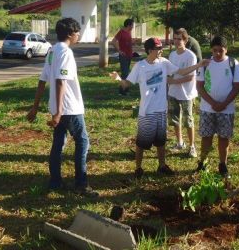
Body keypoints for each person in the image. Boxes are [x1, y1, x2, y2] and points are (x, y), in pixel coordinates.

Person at [110, 37, 208, 179]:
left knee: (161, 141)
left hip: (161, 109)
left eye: (161, 47)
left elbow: (181, 71)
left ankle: (162, 166)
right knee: (141, 142)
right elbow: (127, 84)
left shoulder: (164, 63)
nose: (161, 50)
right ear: (150, 50)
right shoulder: (140, 66)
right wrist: (118, 79)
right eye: (158, 48)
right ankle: (138, 168)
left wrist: (199, 65)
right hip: (147, 112)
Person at [27, 17, 98, 197]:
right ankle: (81, 184)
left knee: (58, 144)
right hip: (69, 108)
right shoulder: (65, 52)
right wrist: (59, 112)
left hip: (58, 108)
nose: (78, 35)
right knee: (83, 141)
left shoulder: (52, 51)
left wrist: (35, 107)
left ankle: (55, 182)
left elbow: (42, 80)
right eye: (77, 32)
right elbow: (60, 81)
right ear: (69, 34)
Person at [196, 35, 239, 178]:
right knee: (206, 137)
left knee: (224, 138)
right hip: (207, 109)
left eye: (220, 51)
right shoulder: (205, 63)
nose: (217, 53)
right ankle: (203, 163)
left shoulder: (233, 63)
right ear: (211, 49)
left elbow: (237, 87)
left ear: (226, 49)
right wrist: (213, 103)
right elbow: (199, 86)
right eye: (214, 50)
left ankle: (223, 164)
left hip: (227, 109)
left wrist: (223, 104)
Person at [168, 28, 198, 158]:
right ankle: (180, 142)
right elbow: (169, 72)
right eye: (174, 38)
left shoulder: (191, 56)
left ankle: (192, 146)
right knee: (174, 119)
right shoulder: (172, 55)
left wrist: (173, 81)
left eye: (179, 39)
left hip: (187, 94)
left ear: (185, 40)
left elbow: (190, 77)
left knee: (188, 121)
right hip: (173, 93)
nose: (177, 41)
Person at [111, 18, 135, 95]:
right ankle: (122, 91)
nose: (133, 27)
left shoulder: (129, 32)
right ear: (128, 25)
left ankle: (126, 89)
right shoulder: (121, 32)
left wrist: (133, 42)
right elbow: (113, 41)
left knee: (127, 73)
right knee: (124, 73)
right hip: (123, 56)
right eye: (132, 25)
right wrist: (119, 51)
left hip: (129, 55)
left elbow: (127, 43)